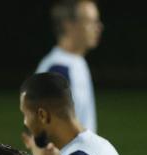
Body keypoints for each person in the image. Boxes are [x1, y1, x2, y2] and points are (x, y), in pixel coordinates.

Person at [36, 0, 103, 133]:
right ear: (69, 25)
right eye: (91, 21)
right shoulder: (59, 70)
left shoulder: (76, 62)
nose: (99, 26)